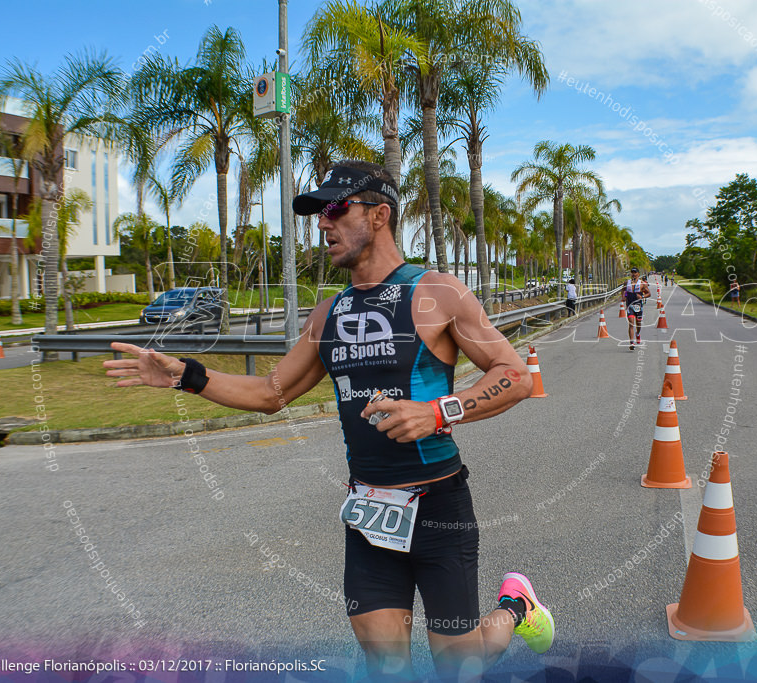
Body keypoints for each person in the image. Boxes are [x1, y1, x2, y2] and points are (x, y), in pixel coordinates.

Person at [101, 160, 553, 681]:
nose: (322, 223)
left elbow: (515, 376)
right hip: (369, 512)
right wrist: (186, 375)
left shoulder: (436, 292)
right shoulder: (328, 314)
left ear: (380, 214)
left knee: (462, 664)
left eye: (336, 209)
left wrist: (437, 411)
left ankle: (516, 606)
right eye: (319, 213)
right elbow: (272, 393)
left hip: (439, 508)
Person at [622, 267, 650, 350]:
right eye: (632, 272)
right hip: (630, 305)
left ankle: (637, 334)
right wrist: (623, 296)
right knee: (631, 323)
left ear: (638, 274)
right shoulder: (627, 282)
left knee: (638, 323)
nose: (633, 274)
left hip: (638, 306)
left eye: (635, 272)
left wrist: (642, 296)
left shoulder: (642, 283)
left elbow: (649, 293)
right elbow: (623, 290)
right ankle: (631, 342)